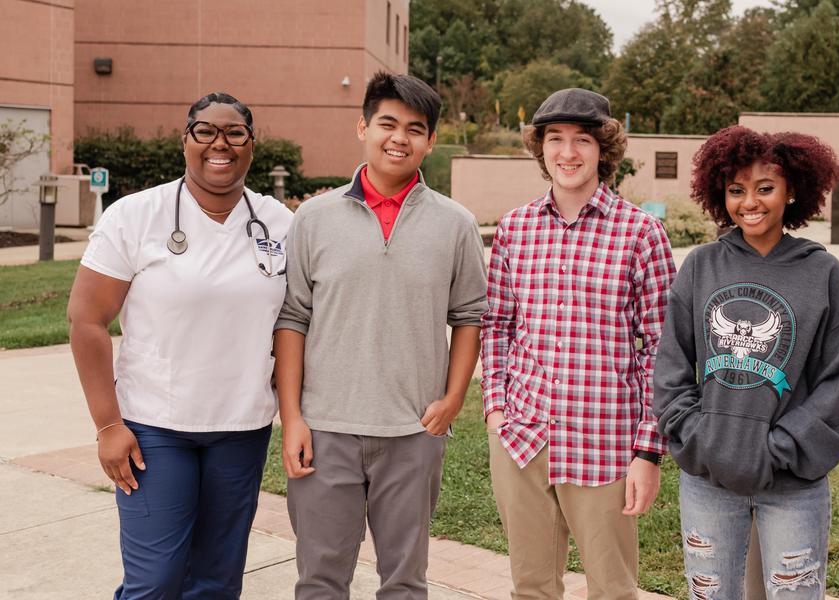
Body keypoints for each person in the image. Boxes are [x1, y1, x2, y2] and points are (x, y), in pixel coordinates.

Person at [67, 92, 292, 599]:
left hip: (241, 427)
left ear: (252, 146)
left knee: (216, 581)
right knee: (156, 581)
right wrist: (108, 424)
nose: (221, 144)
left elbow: (296, 322)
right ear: (185, 140)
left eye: (235, 133)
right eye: (205, 131)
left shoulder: (280, 225)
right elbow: (86, 319)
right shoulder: (135, 216)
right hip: (153, 428)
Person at [273, 71, 487, 599]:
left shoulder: (455, 224)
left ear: (431, 141)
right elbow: (292, 319)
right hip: (325, 431)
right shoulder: (312, 219)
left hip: (413, 432)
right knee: (320, 581)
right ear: (362, 127)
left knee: (406, 584)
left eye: (415, 129)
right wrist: (293, 417)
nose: (400, 138)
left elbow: (469, 316)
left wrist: (454, 398)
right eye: (387, 123)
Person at [480, 88, 676, 600]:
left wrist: (648, 452)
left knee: (613, 590)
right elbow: (497, 324)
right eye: (556, 139)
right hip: (522, 438)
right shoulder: (515, 229)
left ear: (603, 148)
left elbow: (665, 351)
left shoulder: (642, 234)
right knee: (532, 586)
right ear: (540, 148)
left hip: (603, 441)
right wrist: (496, 409)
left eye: (582, 140)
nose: (568, 152)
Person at [654, 126, 839, 599]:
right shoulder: (701, 266)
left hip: (794, 483)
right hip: (708, 478)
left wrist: (779, 449)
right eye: (736, 190)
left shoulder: (821, 272)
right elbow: (672, 367)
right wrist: (703, 439)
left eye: (765, 188)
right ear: (719, 194)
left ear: (792, 191)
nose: (750, 202)